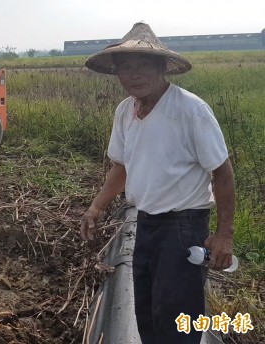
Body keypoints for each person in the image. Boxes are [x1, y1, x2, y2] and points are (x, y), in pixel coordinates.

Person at [81, 23, 235, 343]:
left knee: (178, 317)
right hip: (146, 223)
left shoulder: (190, 110)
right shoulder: (126, 111)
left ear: (163, 67)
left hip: (184, 227)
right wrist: (95, 207)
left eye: (143, 65)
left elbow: (222, 172)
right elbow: (121, 166)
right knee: (146, 311)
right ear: (116, 73)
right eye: (125, 67)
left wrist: (223, 235)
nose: (134, 75)